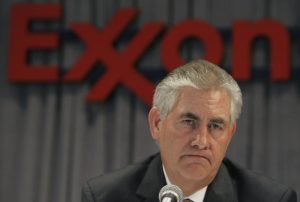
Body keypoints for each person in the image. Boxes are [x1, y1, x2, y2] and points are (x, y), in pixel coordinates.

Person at [82, 59, 297, 202]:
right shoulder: (105, 197)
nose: (201, 140)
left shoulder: (271, 199)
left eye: (216, 126)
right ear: (157, 123)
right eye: (188, 121)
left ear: (230, 134)